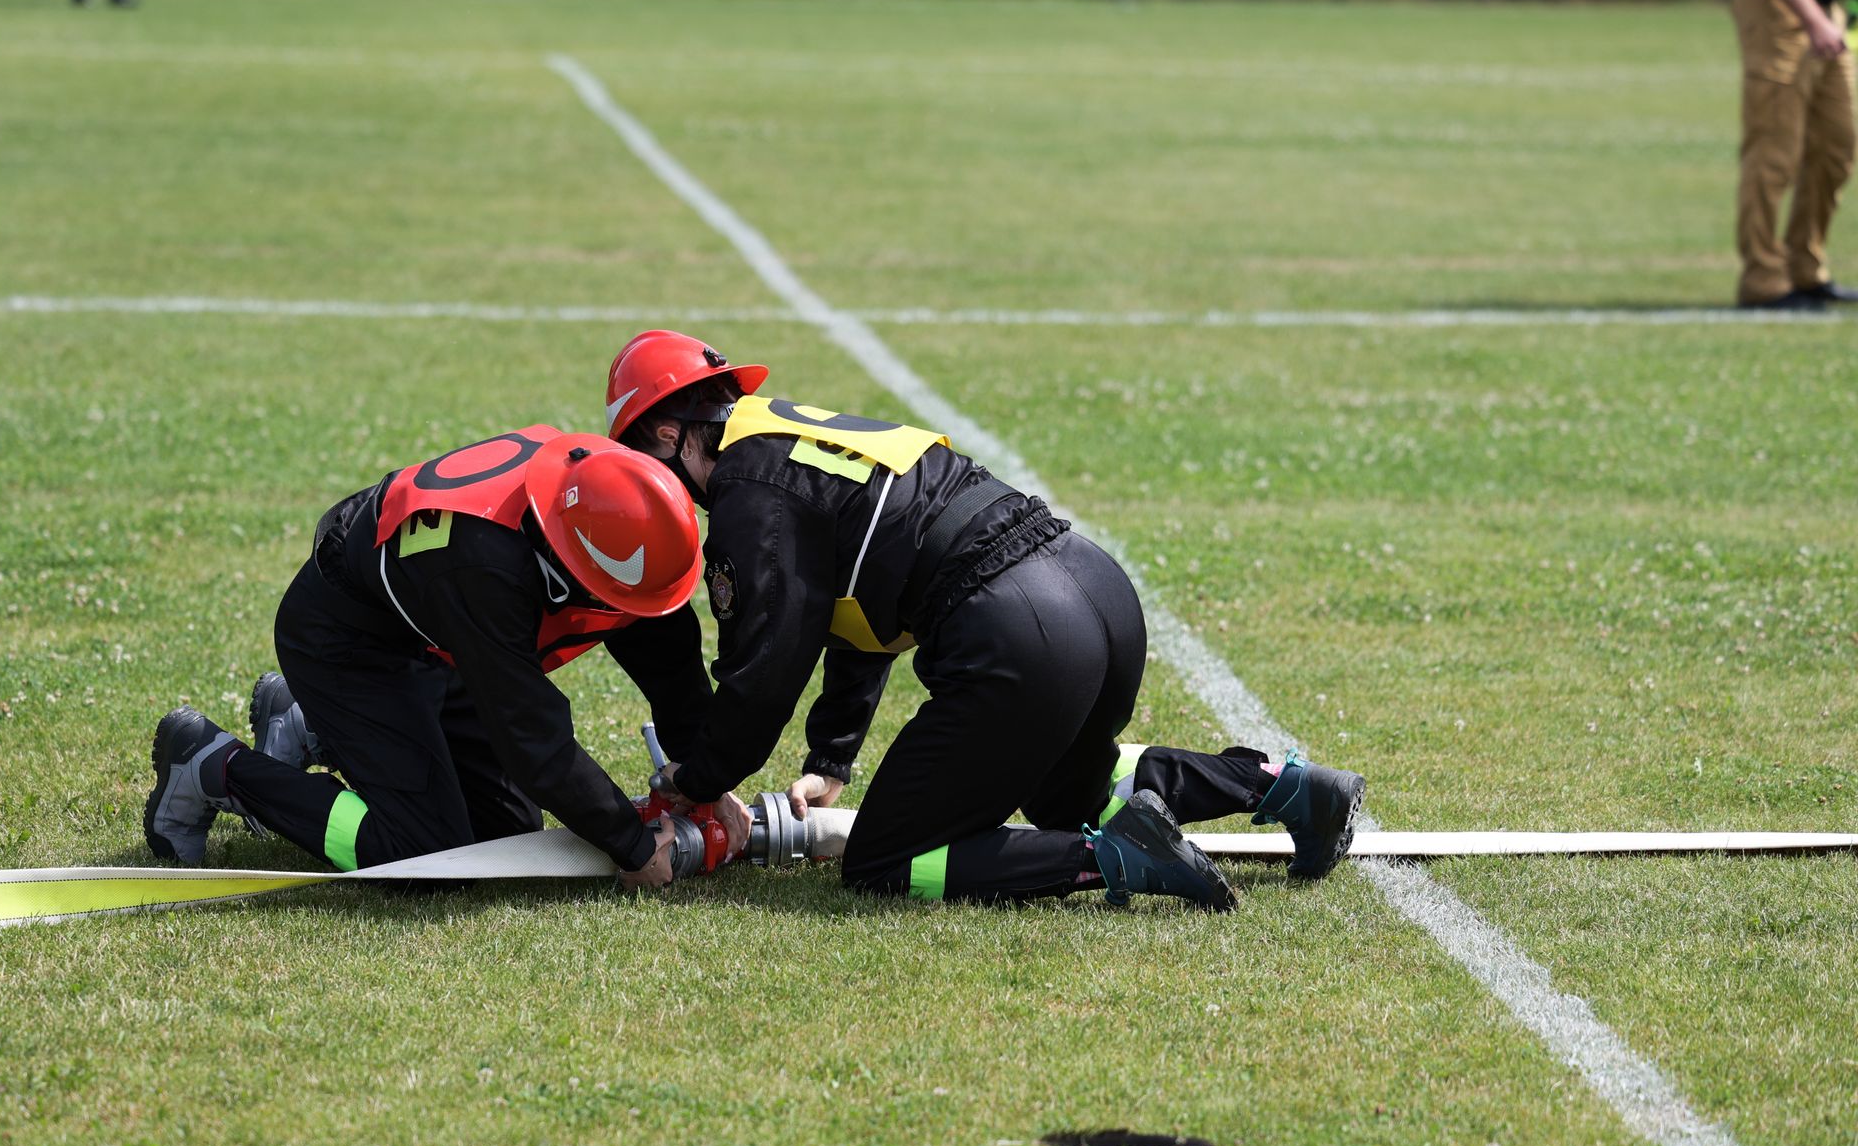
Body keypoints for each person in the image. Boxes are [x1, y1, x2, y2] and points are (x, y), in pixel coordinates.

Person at [603, 330, 1366, 911]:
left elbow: (763, 668)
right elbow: (859, 610)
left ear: (666, 433)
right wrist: (832, 759)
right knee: (1069, 793)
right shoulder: (789, 440)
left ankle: (1118, 860)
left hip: (1021, 632)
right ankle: (1283, 785)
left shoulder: (749, 490)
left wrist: (697, 779)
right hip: (1093, 586)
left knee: (883, 860)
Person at [146, 426, 743, 891]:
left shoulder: (598, 502)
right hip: (348, 642)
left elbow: (671, 666)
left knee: (504, 838)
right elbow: (531, 736)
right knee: (426, 859)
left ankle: (309, 723)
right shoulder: (486, 566)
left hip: (432, 633)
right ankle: (213, 766)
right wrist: (632, 848)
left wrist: (706, 782)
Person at [1731, 0, 1858, 309]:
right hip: (1780, 16)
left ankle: (1805, 266)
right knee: (1773, 153)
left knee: (1837, 147)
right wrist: (1813, 20)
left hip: (1830, 13)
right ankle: (1763, 278)